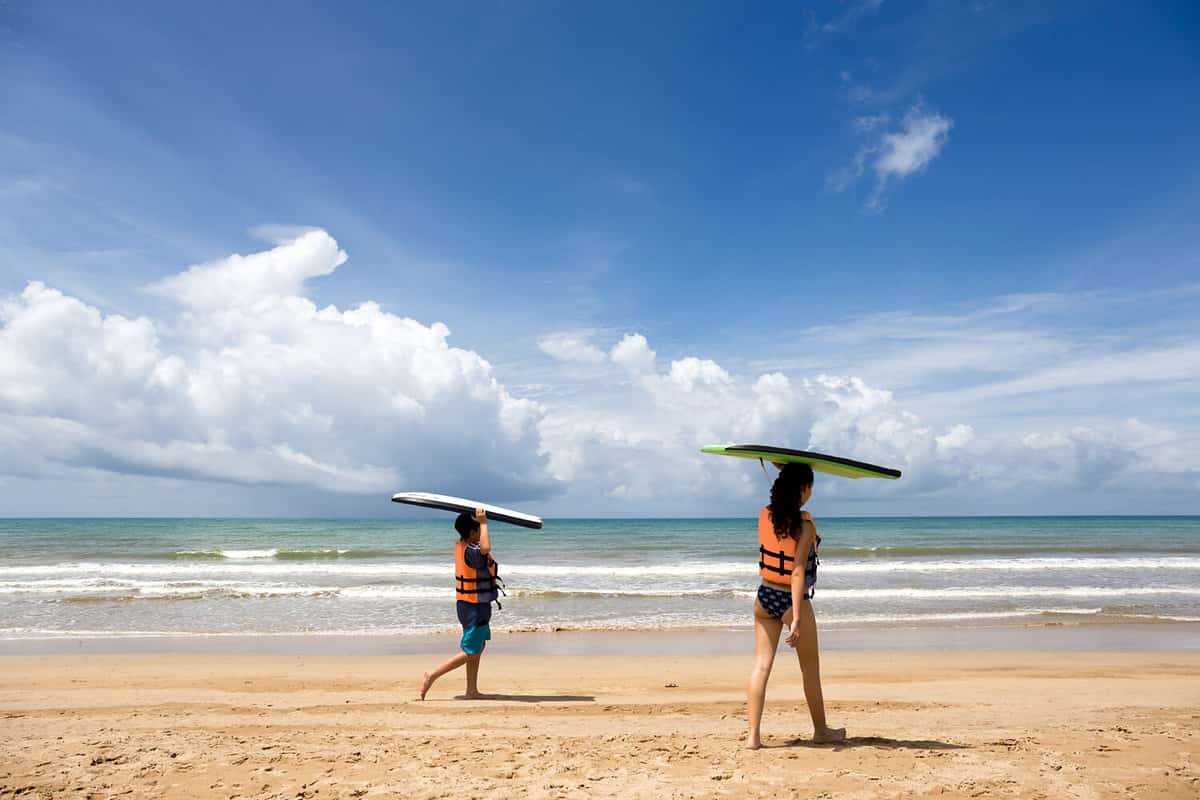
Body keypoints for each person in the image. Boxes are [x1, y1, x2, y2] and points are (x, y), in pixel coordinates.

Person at [746, 462, 845, 749]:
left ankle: (753, 737)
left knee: (761, 666)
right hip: (791, 600)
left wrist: (788, 469)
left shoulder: (765, 515)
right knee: (810, 669)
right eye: (810, 486)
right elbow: (798, 571)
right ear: (804, 489)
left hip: (764, 596)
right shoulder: (804, 524)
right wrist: (797, 618)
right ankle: (821, 730)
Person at [419, 507, 501, 700]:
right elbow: (486, 549)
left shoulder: (464, 546)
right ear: (473, 533)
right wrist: (484, 522)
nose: (482, 534)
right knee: (471, 650)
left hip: (471, 604)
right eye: (479, 531)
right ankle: (432, 675)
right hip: (473, 606)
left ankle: (471, 690)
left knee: (478, 646)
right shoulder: (472, 552)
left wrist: (480, 523)